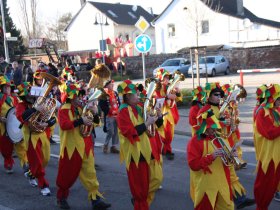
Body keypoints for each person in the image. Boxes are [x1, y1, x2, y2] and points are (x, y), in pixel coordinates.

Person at [56, 81, 111, 210]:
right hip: (71, 148)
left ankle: (95, 199)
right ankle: (61, 198)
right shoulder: (63, 109)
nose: (79, 98)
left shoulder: (81, 109)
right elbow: (64, 125)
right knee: (66, 176)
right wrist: (81, 120)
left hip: (85, 146)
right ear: (70, 97)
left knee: (91, 173)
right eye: (76, 96)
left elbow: (94, 124)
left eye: (80, 95)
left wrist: (95, 113)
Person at [200, 82, 255, 209]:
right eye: (215, 94)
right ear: (209, 96)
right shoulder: (204, 109)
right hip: (211, 145)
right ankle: (232, 200)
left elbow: (225, 129)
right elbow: (202, 127)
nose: (219, 96)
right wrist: (221, 123)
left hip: (224, 142)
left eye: (220, 94)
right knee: (226, 175)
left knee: (231, 173)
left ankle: (239, 198)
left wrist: (231, 124)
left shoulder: (221, 108)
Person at [117, 80, 162, 210]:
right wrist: (147, 123)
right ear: (128, 97)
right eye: (136, 94)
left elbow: (154, 128)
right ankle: (140, 203)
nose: (139, 95)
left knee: (156, 179)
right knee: (140, 187)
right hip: (135, 153)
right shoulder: (123, 112)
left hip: (147, 149)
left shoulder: (138, 107)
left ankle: (140, 201)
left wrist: (158, 117)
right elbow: (129, 132)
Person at [187, 107, 234, 210]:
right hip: (206, 185)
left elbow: (227, 162)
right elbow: (193, 165)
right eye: (212, 127)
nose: (215, 129)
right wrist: (211, 157)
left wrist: (231, 155)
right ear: (204, 127)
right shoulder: (195, 141)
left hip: (222, 182)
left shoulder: (218, 138)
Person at [16, 79, 56, 196]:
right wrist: (34, 109)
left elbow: (53, 118)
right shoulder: (21, 105)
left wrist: (47, 123)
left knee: (45, 159)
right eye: (28, 94)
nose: (31, 95)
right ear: (24, 97)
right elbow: (21, 117)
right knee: (37, 162)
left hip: (42, 134)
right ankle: (43, 185)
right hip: (30, 137)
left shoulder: (40, 101)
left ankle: (30, 173)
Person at [254, 84, 280, 210]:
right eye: (279, 99)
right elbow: (270, 133)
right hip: (269, 158)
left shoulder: (277, 110)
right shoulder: (262, 113)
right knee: (265, 187)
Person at [154, 68, 182, 160]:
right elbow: (156, 100)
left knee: (170, 133)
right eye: (165, 78)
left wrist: (177, 93)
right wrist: (166, 97)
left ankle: (165, 149)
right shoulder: (156, 89)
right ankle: (167, 150)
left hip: (172, 113)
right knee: (166, 132)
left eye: (167, 78)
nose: (167, 79)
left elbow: (179, 99)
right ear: (160, 79)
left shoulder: (170, 87)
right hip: (163, 113)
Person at [98, 80, 120, 154]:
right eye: (111, 84)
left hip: (117, 115)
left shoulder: (115, 93)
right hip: (109, 115)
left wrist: (119, 111)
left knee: (116, 131)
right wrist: (110, 111)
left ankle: (113, 146)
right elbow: (102, 106)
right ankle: (106, 145)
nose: (112, 85)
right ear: (106, 86)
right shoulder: (103, 95)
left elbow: (118, 103)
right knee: (110, 131)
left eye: (112, 84)